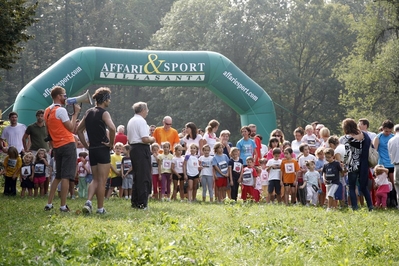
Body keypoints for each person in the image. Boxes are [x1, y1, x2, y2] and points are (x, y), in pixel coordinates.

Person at [78, 87, 116, 214]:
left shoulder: (88, 112)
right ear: (104, 99)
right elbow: (112, 128)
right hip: (102, 149)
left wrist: (86, 145)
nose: (110, 101)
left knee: (95, 179)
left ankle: (88, 202)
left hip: (92, 150)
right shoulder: (104, 113)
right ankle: (100, 209)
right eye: (109, 98)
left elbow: (78, 129)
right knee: (102, 180)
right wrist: (111, 143)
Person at [44, 86, 80, 212]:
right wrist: (75, 114)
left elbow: (48, 130)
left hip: (57, 146)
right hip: (67, 144)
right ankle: (63, 206)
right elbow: (71, 128)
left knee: (58, 175)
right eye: (64, 95)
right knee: (66, 176)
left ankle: (49, 203)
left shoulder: (47, 111)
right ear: (59, 96)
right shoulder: (61, 110)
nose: (66, 98)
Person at [127, 101, 155, 210]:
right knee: (144, 176)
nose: (147, 112)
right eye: (147, 110)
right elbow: (145, 139)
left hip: (133, 148)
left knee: (137, 176)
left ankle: (135, 201)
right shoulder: (141, 121)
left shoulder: (131, 120)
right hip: (141, 148)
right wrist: (152, 139)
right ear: (143, 110)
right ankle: (142, 202)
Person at [342, 118, 373, 211]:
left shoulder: (347, 137)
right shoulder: (365, 135)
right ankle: (370, 206)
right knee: (364, 187)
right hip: (363, 164)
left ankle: (355, 207)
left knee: (352, 187)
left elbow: (347, 154)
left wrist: (344, 164)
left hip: (353, 164)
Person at [373, 120, 396, 208]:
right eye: (386, 131)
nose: (388, 133)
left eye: (390, 131)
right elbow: (374, 152)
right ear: (382, 129)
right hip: (382, 164)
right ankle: (382, 202)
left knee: (393, 183)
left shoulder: (393, 137)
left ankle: (393, 202)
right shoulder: (378, 137)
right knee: (383, 184)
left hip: (392, 164)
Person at [388, 124, 399, 207]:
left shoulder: (391, 140)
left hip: (396, 165)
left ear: (394, 131)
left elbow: (390, 154)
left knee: (398, 187)